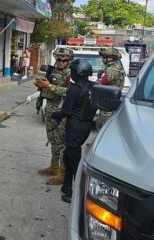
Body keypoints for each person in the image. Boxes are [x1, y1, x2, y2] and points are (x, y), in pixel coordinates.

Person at [51, 59, 97, 203]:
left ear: (77, 73)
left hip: (75, 126)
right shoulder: (93, 86)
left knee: (73, 160)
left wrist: (54, 115)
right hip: (86, 126)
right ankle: (66, 186)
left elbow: (67, 110)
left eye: (72, 71)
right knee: (69, 156)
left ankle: (74, 192)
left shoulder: (74, 88)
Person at [35, 48, 73, 185]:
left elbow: (70, 92)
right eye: (59, 60)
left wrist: (49, 86)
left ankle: (62, 174)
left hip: (61, 111)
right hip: (50, 109)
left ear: (69, 61)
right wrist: (40, 85)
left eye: (65, 60)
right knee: (52, 139)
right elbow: (48, 86)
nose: (61, 62)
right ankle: (54, 166)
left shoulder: (71, 74)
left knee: (61, 143)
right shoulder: (53, 71)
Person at [94, 47, 125, 130]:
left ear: (112, 58)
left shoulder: (112, 69)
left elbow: (100, 84)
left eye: (106, 57)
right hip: (110, 101)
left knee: (102, 126)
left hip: (108, 104)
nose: (104, 59)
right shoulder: (115, 67)